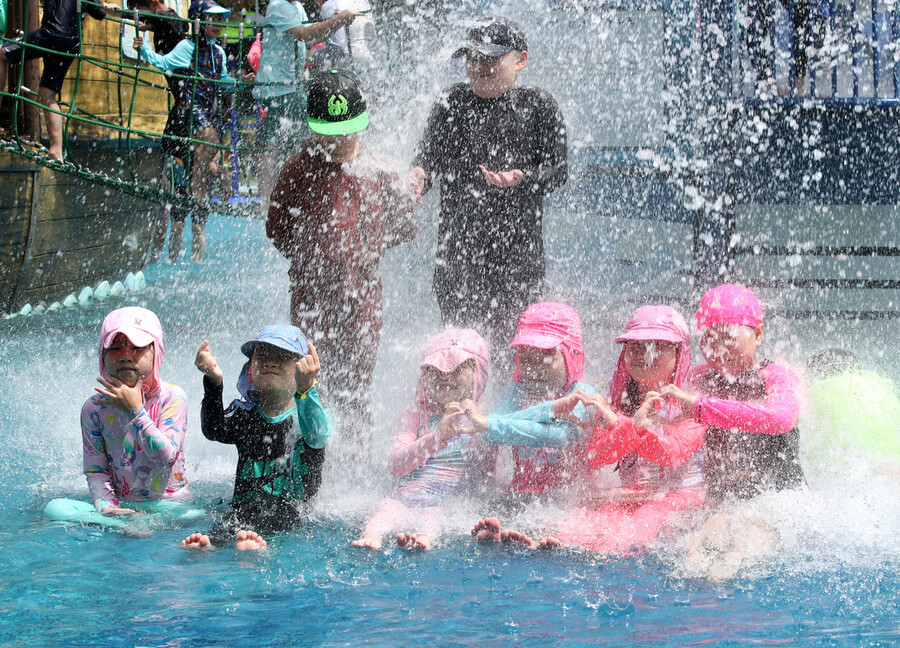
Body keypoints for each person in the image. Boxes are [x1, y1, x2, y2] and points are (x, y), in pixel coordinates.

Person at [410, 17, 567, 376]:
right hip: (457, 253)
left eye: (490, 59)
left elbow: (559, 171)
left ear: (521, 59)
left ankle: (506, 421)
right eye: (472, 59)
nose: (479, 68)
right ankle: (459, 424)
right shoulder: (451, 102)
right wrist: (418, 175)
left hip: (517, 256)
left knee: (515, 348)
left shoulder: (538, 106)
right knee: (459, 353)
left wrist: (524, 179)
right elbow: (427, 159)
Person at [266, 68, 417, 438]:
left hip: (362, 290)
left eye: (347, 131)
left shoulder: (377, 169)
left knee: (358, 374)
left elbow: (405, 225)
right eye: (329, 134)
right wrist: (307, 256)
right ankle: (310, 449)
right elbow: (277, 225)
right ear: (314, 127)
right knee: (310, 371)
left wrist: (368, 248)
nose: (339, 141)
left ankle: (355, 451)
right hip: (311, 290)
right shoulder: (300, 167)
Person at [489, 306, 706, 553]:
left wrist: (619, 424)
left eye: (657, 346)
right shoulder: (618, 403)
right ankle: (554, 543)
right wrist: (621, 423)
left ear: (680, 353)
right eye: (634, 346)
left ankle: (607, 550)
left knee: (646, 517)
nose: (644, 353)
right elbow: (597, 456)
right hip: (633, 495)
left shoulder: (690, 405)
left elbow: (673, 454)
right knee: (595, 514)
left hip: (677, 497)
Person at [661, 284, 804, 581]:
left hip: (776, 496)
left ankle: (733, 563)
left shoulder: (775, 377)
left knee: (751, 528)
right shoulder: (701, 377)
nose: (718, 349)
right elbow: (675, 427)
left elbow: (782, 418)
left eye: (728, 338)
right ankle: (689, 571)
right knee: (713, 527)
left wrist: (702, 407)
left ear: (759, 334)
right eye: (708, 340)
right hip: (722, 498)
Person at [182, 325, 331, 551]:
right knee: (229, 522)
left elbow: (318, 437)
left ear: (302, 370)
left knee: (278, 519)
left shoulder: (305, 416)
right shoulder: (245, 414)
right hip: (244, 508)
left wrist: (306, 390)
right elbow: (214, 430)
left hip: (292, 512)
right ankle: (213, 543)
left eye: (282, 356)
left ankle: (263, 545)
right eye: (262, 356)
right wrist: (213, 381)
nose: (271, 362)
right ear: (250, 371)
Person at [44, 307, 197, 528]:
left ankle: (133, 526)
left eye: (137, 348)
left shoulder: (172, 397)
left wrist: (135, 411)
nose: (126, 355)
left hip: (169, 507)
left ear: (156, 353)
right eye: (115, 348)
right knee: (55, 508)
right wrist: (110, 508)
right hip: (122, 507)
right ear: (102, 357)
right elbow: (96, 471)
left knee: (192, 514)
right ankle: (128, 525)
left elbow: (165, 459)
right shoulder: (94, 409)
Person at [134, 0, 255, 262]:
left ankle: (197, 214)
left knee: (206, 152)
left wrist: (240, 82)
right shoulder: (187, 47)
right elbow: (161, 61)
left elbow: (223, 81)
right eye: (212, 21)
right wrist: (143, 48)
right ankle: (189, 206)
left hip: (206, 112)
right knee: (207, 142)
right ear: (199, 23)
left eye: (220, 21)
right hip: (188, 112)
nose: (217, 26)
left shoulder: (218, 54)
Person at [467, 302, 597, 541]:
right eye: (526, 357)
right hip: (522, 493)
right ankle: (506, 535)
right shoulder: (514, 391)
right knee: (498, 507)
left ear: (571, 356)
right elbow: (489, 431)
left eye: (546, 358)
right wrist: (547, 409)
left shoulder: (583, 395)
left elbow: (560, 437)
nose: (534, 368)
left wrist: (493, 425)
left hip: (568, 497)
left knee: (577, 521)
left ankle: (546, 538)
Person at [352, 329, 489, 551]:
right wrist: (436, 438)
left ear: (477, 374)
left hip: (441, 501)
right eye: (435, 368)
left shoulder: (481, 417)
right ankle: (372, 537)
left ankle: (424, 540)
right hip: (402, 496)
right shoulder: (415, 412)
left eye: (457, 368)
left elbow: (485, 471)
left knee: (433, 516)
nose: (445, 374)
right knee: (386, 508)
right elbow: (396, 466)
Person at [251, 0, 360, 217]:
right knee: (305, 138)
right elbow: (304, 34)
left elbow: (310, 40)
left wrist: (335, 24)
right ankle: (276, 200)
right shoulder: (279, 5)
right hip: (280, 88)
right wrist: (337, 20)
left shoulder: (297, 7)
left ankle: (278, 197)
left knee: (283, 139)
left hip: (290, 85)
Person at [0, 0, 107, 160]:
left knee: (1, 54)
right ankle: (56, 150)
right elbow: (99, 13)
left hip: (51, 34)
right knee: (47, 94)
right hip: (73, 42)